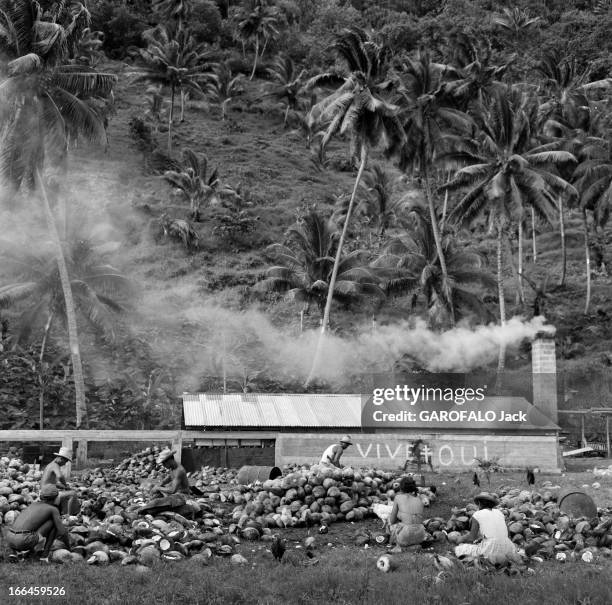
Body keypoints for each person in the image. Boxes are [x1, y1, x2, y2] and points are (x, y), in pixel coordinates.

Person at [6, 485, 70, 562]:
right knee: (54, 523)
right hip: (23, 540)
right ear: (56, 498)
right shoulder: (53, 509)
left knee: (32, 527)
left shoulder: (33, 505)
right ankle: (44, 556)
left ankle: (16, 552)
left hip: (9, 538)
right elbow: (62, 532)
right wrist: (69, 547)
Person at [455, 492, 521, 565]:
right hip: (507, 545)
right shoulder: (499, 513)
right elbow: (507, 534)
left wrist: (462, 539)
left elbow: (472, 538)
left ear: (479, 503)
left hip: (490, 547)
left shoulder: (477, 514)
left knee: (459, 549)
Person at [387, 476, 427, 547]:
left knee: (389, 521)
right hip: (421, 536)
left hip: (405, 536)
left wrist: (398, 517)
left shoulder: (398, 497)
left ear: (401, 487)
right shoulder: (420, 498)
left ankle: (393, 542)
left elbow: (392, 521)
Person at [40, 446, 80, 515]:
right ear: (61, 458)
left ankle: (62, 512)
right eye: (65, 461)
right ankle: (68, 516)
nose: (65, 464)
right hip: (47, 493)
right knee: (73, 494)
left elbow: (50, 482)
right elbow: (60, 476)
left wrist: (63, 487)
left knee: (66, 492)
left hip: (45, 490)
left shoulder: (50, 465)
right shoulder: (55, 465)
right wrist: (65, 485)